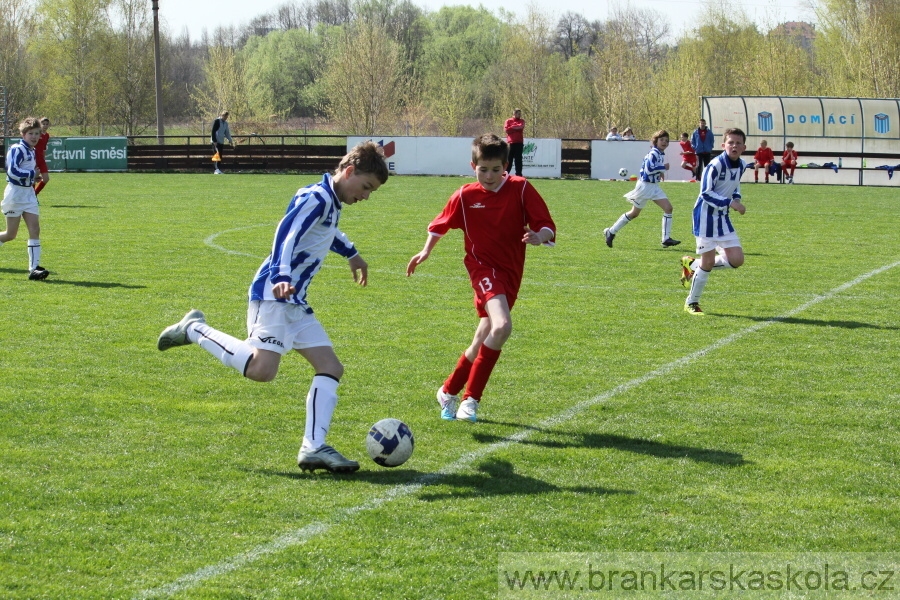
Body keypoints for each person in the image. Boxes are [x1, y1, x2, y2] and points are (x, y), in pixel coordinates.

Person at [157, 141, 390, 472]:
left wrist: (351, 253)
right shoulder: (317, 197)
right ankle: (194, 329)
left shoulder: (330, 200)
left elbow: (327, 231)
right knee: (261, 370)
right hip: (274, 293)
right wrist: (281, 273)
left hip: (295, 300)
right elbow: (287, 232)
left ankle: (314, 448)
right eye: (366, 187)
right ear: (349, 172)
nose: (366, 196)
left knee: (331, 367)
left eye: (372, 192)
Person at [406, 133, 556, 423]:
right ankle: (470, 400)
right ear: (472, 165)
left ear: (506, 166)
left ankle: (448, 391)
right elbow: (440, 224)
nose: (489, 176)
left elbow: (546, 224)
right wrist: (425, 251)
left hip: (511, 273)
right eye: (483, 169)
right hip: (482, 269)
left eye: (496, 170)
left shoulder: (521, 189)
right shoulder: (465, 196)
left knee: (481, 339)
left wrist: (540, 236)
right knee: (501, 326)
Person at [679, 128, 748, 316]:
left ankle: (693, 265)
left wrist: (737, 199)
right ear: (723, 145)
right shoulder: (715, 165)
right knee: (708, 263)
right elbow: (706, 193)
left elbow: (735, 186)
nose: (734, 146)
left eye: (738, 143)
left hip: (723, 218)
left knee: (736, 260)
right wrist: (731, 203)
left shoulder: (741, 165)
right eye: (730, 142)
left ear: (744, 147)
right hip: (705, 217)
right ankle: (691, 303)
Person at [603, 129, 680, 249]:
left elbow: (651, 168)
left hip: (654, 186)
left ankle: (666, 239)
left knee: (668, 208)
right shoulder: (653, 153)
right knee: (634, 213)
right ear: (656, 141)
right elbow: (649, 169)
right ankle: (611, 231)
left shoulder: (659, 153)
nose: (664, 142)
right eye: (661, 140)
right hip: (645, 187)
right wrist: (663, 167)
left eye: (666, 140)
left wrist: (660, 172)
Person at [1, 117, 49, 280]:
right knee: (10, 235)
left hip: (28, 194)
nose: (34, 137)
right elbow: (12, 171)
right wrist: (31, 174)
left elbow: (25, 173)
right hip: (15, 195)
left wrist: (32, 179)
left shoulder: (31, 150)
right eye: (31, 134)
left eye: (37, 134)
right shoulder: (17, 149)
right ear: (23, 134)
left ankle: (34, 269)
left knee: (35, 229)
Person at [210, 111, 234, 175]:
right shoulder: (217, 121)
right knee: (217, 155)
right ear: (222, 115)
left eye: (227, 117)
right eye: (225, 116)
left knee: (220, 156)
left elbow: (227, 133)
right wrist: (214, 140)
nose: (226, 118)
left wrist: (230, 140)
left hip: (221, 141)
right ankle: (216, 169)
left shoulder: (226, 123)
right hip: (215, 142)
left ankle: (218, 169)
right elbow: (213, 131)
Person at [504, 108, 525, 176]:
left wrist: (512, 128)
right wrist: (515, 128)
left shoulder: (522, 121)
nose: (520, 115)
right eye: (518, 114)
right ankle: (505, 174)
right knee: (509, 160)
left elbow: (521, 127)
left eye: (520, 114)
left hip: (519, 143)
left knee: (518, 160)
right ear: (514, 114)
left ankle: (519, 175)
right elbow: (506, 130)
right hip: (510, 143)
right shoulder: (508, 121)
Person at [33, 117, 51, 195]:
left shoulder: (47, 135)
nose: (45, 126)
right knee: (33, 178)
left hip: (41, 159)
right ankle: (32, 197)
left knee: (46, 179)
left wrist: (43, 157)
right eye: (43, 124)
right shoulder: (36, 133)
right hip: (34, 158)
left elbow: (44, 148)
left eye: (47, 124)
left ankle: (35, 194)